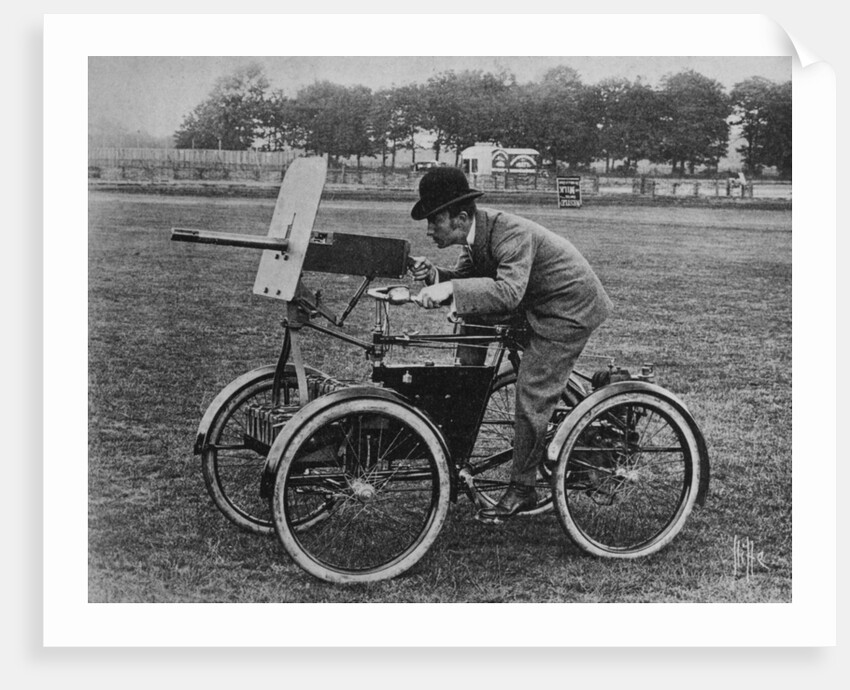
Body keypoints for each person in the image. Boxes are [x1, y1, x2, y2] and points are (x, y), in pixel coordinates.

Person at [409, 167, 613, 524]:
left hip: (567, 308)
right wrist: (437, 278)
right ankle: (467, 384)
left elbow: (506, 292)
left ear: (459, 217)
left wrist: (451, 290)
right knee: (471, 317)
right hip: (535, 302)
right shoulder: (474, 237)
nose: (428, 231)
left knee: (533, 391)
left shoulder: (511, 233)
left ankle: (523, 487)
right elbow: (468, 283)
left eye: (433, 220)